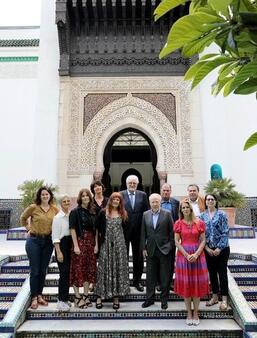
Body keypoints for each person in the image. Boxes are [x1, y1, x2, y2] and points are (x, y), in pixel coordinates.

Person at [20, 186, 58, 309]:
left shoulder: (54, 210)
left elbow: (60, 221)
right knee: (35, 270)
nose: (45, 196)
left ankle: (40, 295)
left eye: (47, 194)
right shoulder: (33, 207)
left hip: (48, 242)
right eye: (43, 195)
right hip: (34, 241)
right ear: (39, 196)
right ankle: (34, 297)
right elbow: (23, 218)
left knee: (43, 270)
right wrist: (28, 228)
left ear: (50, 196)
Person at [174, 200, 209, 326]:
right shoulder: (178, 223)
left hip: (198, 256)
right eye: (183, 208)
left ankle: (196, 313)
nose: (185, 209)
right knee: (186, 284)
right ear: (181, 210)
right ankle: (189, 312)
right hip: (184, 257)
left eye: (187, 207)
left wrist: (196, 254)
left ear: (191, 209)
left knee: (196, 284)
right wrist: (186, 255)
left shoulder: (199, 223)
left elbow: (203, 240)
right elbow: (177, 241)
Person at [95, 192, 130, 309]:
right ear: (110, 200)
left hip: (119, 245)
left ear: (120, 202)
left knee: (117, 269)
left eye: (118, 200)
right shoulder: (102, 212)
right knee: (103, 268)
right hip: (105, 244)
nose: (116, 201)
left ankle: (116, 297)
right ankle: (99, 296)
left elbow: (126, 231)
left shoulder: (123, 213)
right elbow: (97, 230)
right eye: (114, 199)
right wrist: (96, 245)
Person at [141, 193, 174, 310]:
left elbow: (172, 232)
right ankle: (149, 299)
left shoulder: (167, 214)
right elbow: (143, 233)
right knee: (150, 276)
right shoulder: (145, 214)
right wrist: (143, 248)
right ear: (150, 203)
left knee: (164, 277)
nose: (155, 204)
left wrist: (170, 246)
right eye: (152, 202)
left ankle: (164, 301)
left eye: (156, 201)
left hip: (164, 250)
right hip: (150, 250)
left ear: (160, 202)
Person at [199, 194, 230, 311]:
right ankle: (215, 296)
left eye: (212, 199)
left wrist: (219, 248)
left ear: (216, 201)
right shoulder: (202, 216)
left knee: (222, 273)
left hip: (222, 250)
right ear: (205, 201)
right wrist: (206, 248)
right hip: (208, 250)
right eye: (208, 199)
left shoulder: (222, 214)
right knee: (212, 273)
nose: (210, 201)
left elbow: (225, 232)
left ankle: (224, 300)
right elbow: (201, 234)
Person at [69, 188, 98, 308]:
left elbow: (96, 229)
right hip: (80, 242)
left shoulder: (93, 211)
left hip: (90, 243)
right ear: (80, 198)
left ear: (90, 198)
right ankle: (77, 296)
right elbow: (72, 229)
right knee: (77, 269)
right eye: (83, 196)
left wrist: (96, 244)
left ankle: (85, 295)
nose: (85, 198)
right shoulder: (75, 211)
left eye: (87, 196)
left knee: (88, 269)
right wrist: (76, 245)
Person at [120, 175, 149, 292]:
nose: (132, 185)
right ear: (126, 184)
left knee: (139, 258)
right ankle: (125, 282)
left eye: (134, 183)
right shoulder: (120, 195)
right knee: (124, 257)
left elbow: (146, 213)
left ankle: (137, 281)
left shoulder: (143, 195)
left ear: (137, 184)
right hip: (124, 231)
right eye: (130, 183)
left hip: (139, 231)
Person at [52, 194, 72, 311]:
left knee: (68, 273)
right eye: (64, 202)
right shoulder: (57, 218)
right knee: (63, 273)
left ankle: (65, 298)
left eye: (68, 201)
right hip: (61, 245)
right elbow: (55, 237)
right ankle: (60, 300)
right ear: (61, 204)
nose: (66, 203)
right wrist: (58, 252)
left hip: (70, 244)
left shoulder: (71, 215)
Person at [160, 183, 179, 289]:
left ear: (170, 191)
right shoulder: (157, 201)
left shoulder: (176, 202)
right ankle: (160, 283)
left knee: (171, 260)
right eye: (164, 190)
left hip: (172, 236)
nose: (166, 192)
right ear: (161, 190)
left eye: (168, 190)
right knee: (160, 260)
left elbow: (178, 218)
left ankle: (170, 282)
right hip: (159, 236)